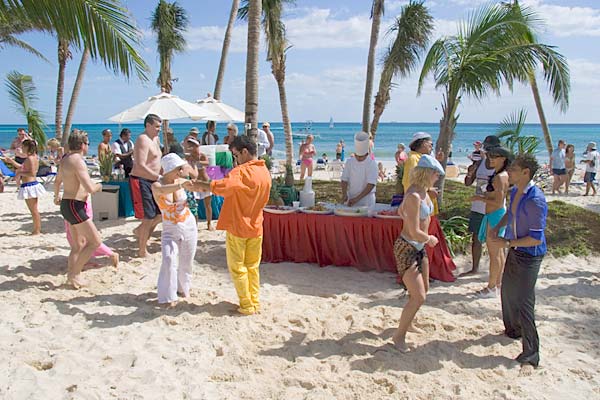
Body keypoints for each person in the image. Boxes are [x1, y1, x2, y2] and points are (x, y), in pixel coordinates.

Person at [196, 135, 271, 315]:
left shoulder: (242, 171)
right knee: (252, 267)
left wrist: (202, 185)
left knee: (238, 268)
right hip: (256, 225)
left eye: (236, 155)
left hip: (239, 226)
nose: (235, 160)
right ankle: (254, 301)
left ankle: (246, 304)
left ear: (245, 152)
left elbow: (224, 187)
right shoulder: (264, 171)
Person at [493, 153, 548, 369]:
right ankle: (513, 330)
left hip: (530, 255)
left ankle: (531, 354)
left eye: (514, 169)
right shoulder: (515, 191)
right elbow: (511, 214)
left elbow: (535, 237)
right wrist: (499, 226)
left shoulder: (536, 200)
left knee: (525, 302)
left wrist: (506, 244)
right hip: (515, 249)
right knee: (507, 292)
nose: (509, 172)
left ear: (526, 172)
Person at [392, 154, 444, 352]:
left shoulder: (422, 192)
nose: (437, 177)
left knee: (424, 289)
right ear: (427, 174)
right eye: (435, 174)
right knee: (419, 296)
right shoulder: (414, 196)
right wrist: (429, 238)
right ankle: (399, 336)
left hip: (419, 248)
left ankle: (409, 322)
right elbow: (413, 230)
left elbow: (400, 212)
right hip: (408, 248)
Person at [53, 131, 103, 288]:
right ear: (82, 145)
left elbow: (57, 181)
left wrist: (56, 196)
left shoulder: (65, 159)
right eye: (87, 144)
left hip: (67, 204)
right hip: (75, 206)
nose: (88, 146)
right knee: (95, 242)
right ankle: (74, 274)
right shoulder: (78, 161)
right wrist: (100, 185)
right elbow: (89, 187)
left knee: (78, 245)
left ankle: (72, 274)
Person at [151, 153, 199, 306]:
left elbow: (196, 180)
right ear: (169, 169)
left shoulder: (182, 181)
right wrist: (181, 185)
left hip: (188, 224)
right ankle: (167, 296)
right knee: (168, 259)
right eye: (177, 168)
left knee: (187, 260)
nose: (180, 171)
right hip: (170, 229)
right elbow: (163, 191)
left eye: (181, 168)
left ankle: (182, 288)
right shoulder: (157, 185)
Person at [471, 146, 512, 298]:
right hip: (495, 214)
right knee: (499, 252)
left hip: (495, 214)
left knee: (494, 253)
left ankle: (491, 287)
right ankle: (498, 284)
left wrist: (480, 198)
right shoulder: (501, 174)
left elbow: (499, 202)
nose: (491, 159)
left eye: (495, 156)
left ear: (503, 158)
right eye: (490, 156)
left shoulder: (500, 177)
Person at [463, 135, 500, 275]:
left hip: (493, 207)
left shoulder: (501, 167)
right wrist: (469, 173)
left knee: (494, 241)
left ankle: (495, 271)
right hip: (478, 207)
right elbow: (468, 183)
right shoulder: (480, 163)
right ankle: (475, 268)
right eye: (488, 149)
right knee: (476, 238)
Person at [130, 114, 163, 258]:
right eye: (156, 126)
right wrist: (158, 177)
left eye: (160, 127)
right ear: (148, 126)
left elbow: (157, 160)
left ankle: (140, 231)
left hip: (154, 181)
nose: (159, 129)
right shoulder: (143, 140)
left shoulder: (155, 139)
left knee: (160, 213)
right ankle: (142, 250)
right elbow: (140, 165)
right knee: (148, 217)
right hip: (142, 180)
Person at [5, 139, 45, 235]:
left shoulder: (30, 158)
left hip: (30, 185)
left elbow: (32, 173)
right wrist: (11, 162)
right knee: (33, 210)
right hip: (30, 185)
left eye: (22, 147)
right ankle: (37, 229)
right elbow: (22, 167)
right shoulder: (33, 157)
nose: (21, 148)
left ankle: (37, 230)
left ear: (27, 147)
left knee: (33, 210)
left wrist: (19, 173)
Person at [402, 132, 442, 214]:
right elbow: (410, 182)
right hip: (419, 205)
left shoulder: (420, 158)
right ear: (423, 143)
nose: (432, 147)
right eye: (431, 144)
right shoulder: (413, 158)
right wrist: (428, 191)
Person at [340, 132, 378, 207]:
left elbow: (371, 184)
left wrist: (357, 199)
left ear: (366, 154)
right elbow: (344, 179)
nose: (359, 158)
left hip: (367, 201)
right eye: (357, 156)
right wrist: (344, 193)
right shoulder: (350, 162)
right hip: (351, 198)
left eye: (361, 157)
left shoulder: (371, 164)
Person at [184, 137, 214, 230]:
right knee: (194, 205)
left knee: (208, 205)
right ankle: (194, 224)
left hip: (204, 181)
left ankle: (209, 224)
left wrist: (197, 161)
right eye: (191, 146)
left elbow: (207, 163)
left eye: (194, 146)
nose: (192, 148)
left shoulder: (201, 156)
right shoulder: (188, 157)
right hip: (196, 182)